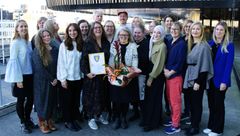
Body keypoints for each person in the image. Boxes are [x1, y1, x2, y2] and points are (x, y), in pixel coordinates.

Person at [203, 21, 234, 136]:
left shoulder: (229, 45)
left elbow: (228, 65)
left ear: (225, 32)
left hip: (221, 81)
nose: (218, 31)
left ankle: (218, 129)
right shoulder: (210, 43)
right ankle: (211, 126)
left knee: (218, 105)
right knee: (211, 104)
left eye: (221, 30)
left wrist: (224, 82)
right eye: (217, 29)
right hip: (210, 79)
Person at [5, 20, 36, 134]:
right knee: (21, 100)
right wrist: (18, 79)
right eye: (21, 26)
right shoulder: (15, 42)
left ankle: (28, 119)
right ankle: (23, 122)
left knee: (31, 99)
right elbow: (14, 61)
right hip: (20, 76)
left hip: (30, 75)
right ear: (17, 29)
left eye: (25, 26)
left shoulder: (27, 42)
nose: (24, 28)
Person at [184, 22, 214, 136]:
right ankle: (192, 124)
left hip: (198, 78)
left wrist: (198, 82)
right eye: (193, 29)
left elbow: (205, 66)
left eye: (197, 29)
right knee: (191, 103)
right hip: (189, 75)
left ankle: (195, 127)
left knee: (196, 104)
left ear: (201, 31)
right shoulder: (190, 43)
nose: (195, 31)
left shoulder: (204, 46)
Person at [81, 21, 110, 130]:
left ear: (102, 29)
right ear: (92, 30)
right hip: (91, 76)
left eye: (99, 28)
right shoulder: (88, 42)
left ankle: (99, 116)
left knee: (102, 96)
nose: (98, 29)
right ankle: (91, 118)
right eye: (95, 28)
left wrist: (109, 68)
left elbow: (109, 58)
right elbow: (83, 59)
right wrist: (87, 73)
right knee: (91, 97)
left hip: (103, 75)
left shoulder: (106, 42)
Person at [109, 27, 138, 130]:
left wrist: (130, 72)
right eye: (121, 35)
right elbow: (111, 60)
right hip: (116, 75)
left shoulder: (133, 46)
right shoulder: (114, 45)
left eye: (125, 35)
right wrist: (113, 72)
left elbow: (135, 60)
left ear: (129, 36)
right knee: (116, 99)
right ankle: (117, 118)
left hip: (128, 75)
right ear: (118, 36)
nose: (123, 37)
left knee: (125, 99)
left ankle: (123, 117)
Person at [57, 23, 84, 131]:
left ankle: (73, 118)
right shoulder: (64, 45)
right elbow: (61, 63)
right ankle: (68, 121)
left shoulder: (81, 44)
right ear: (67, 33)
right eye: (70, 31)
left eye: (74, 30)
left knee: (75, 100)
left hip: (78, 77)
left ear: (78, 31)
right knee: (67, 102)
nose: (72, 32)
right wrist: (63, 79)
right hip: (67, 78)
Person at [32, 29, 58, 134]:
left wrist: (55, 78)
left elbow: (58, 64)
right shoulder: (37, 50)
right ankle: (42, 122)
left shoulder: (55, 49)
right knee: (42, 101)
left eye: (48, 35)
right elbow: (39, 68)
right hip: (42, 81)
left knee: (51, 101)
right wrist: (51, 79)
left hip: (54, 79)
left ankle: (49, 120)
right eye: (44, 36)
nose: (47, 37)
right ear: (40, 38)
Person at [163, 22, 187, 134]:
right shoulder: (170, 41)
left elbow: (180, 62)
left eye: (176, 29)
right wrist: (164, 70)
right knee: (170, 100)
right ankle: (173, 120)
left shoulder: (182, 44)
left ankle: (176, 125)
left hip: (175, 77)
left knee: (175, 102)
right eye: (172, 29)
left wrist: (170, 72)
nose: (174, 31)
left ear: (180, 30)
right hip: (168, 75)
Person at [142, 25, 167, 132]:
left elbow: (159, 65)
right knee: (151, 98)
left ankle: (152, 123)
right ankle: (155, 120)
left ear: (162, 35)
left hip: (156, 75)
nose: (156, 34)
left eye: (159, 33)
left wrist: (151, 78)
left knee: (153, 99)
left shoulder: (162, 46)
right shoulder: (152, 43)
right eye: (155, 32)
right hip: (151, 73)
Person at [130, 24, 150, 123]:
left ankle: (144, 116)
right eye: (135, 33)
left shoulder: (146, 43)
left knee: (141, 94)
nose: (137, 35)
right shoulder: (132, 43)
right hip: (132, 74)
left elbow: (146, 59)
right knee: (134, 94)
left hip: (142, 73)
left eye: (139, 33)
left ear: (143, 33)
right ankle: (135, 113)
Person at [181, 19, 193, 124]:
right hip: (182, 70)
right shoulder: (182, 39)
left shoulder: (194, 40)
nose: (188, 28)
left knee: (190, 92)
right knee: (185, 92)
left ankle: (190, 114)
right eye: (186, 27)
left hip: (190, 70)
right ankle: (186, 111)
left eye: (190, 27)